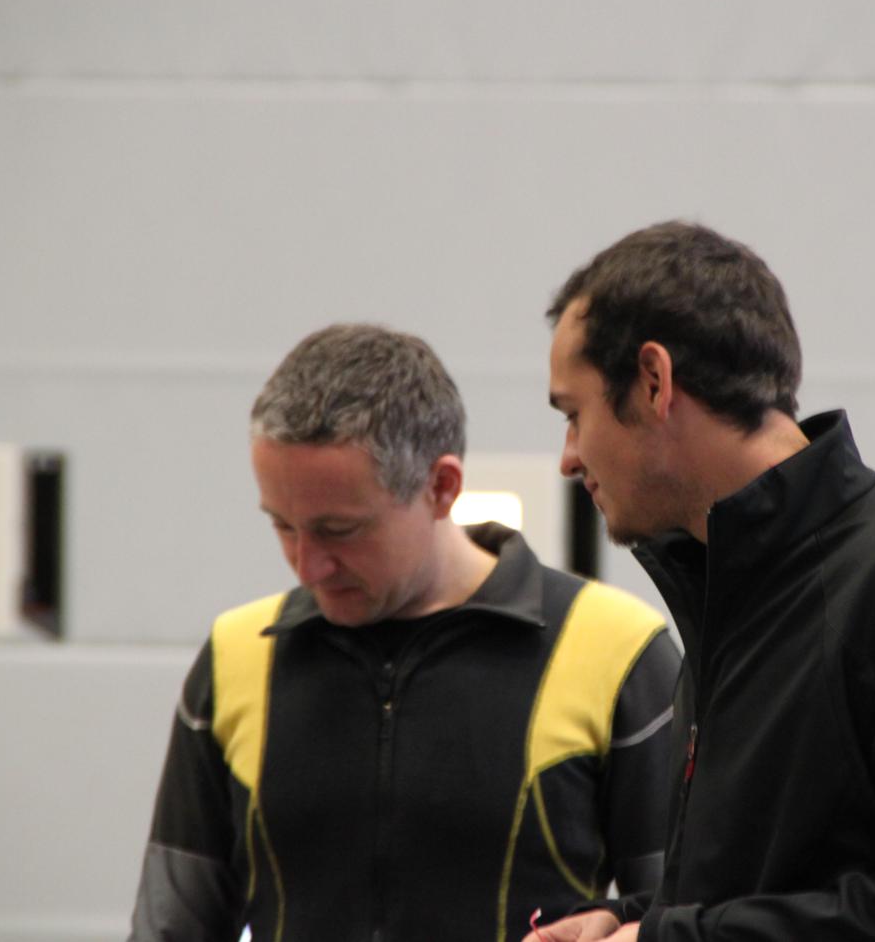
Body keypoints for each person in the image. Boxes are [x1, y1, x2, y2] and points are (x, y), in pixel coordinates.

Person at [528, 222, 875, 941]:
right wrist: (629, 921)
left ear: (655, 382)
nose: (568, 458)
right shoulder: (729, 593)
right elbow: (774, 880)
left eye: (575, 415)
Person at [129, 323, 681, 942]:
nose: (307, 566)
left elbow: (683, 917)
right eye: (283, 525)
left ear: (441, 487)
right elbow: (169, 929)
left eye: (339, 530)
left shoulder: (615, 652)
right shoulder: (237, 656)